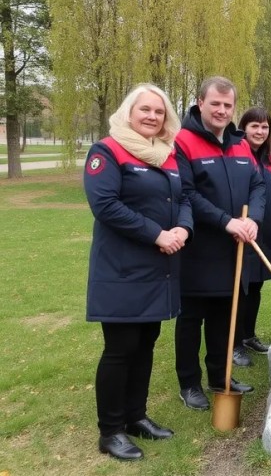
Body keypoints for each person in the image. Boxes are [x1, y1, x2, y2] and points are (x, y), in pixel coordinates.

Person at [84, 84, 192, 461]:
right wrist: (157, 234)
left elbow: (183, 198)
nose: (151, 116)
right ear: (129, 112)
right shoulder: (107, 151)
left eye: (159, 112)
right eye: (144, 109)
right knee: (120, 349)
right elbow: (105, 205)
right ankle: (110, 430)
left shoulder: (168, 154)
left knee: (145, 344)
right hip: (122, 270)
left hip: (159, 269)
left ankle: (136, 416)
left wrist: (183, 228)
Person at [174, 76, 264, 411]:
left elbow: (258, 185)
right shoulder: (182, 141)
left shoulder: (240, 144)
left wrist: (252, 217)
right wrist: (226, 222)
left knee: (223, 320)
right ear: (200, 102)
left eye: (228, 105)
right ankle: (189, 383)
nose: (222, 110)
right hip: (198, 249)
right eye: (216, 104)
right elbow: (186, 193)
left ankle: (219, 376)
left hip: (234, 251)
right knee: (191, 321)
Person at [231, 107, 271, 366]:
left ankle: (249, 335)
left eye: (264, 127)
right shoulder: (237, 155)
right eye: (254, 126)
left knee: (258, 286)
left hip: (264, 233)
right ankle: (235, 342)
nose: (260, 132)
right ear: (244, 127)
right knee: (241, 288)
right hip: (241, 234)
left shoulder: (270, 161)